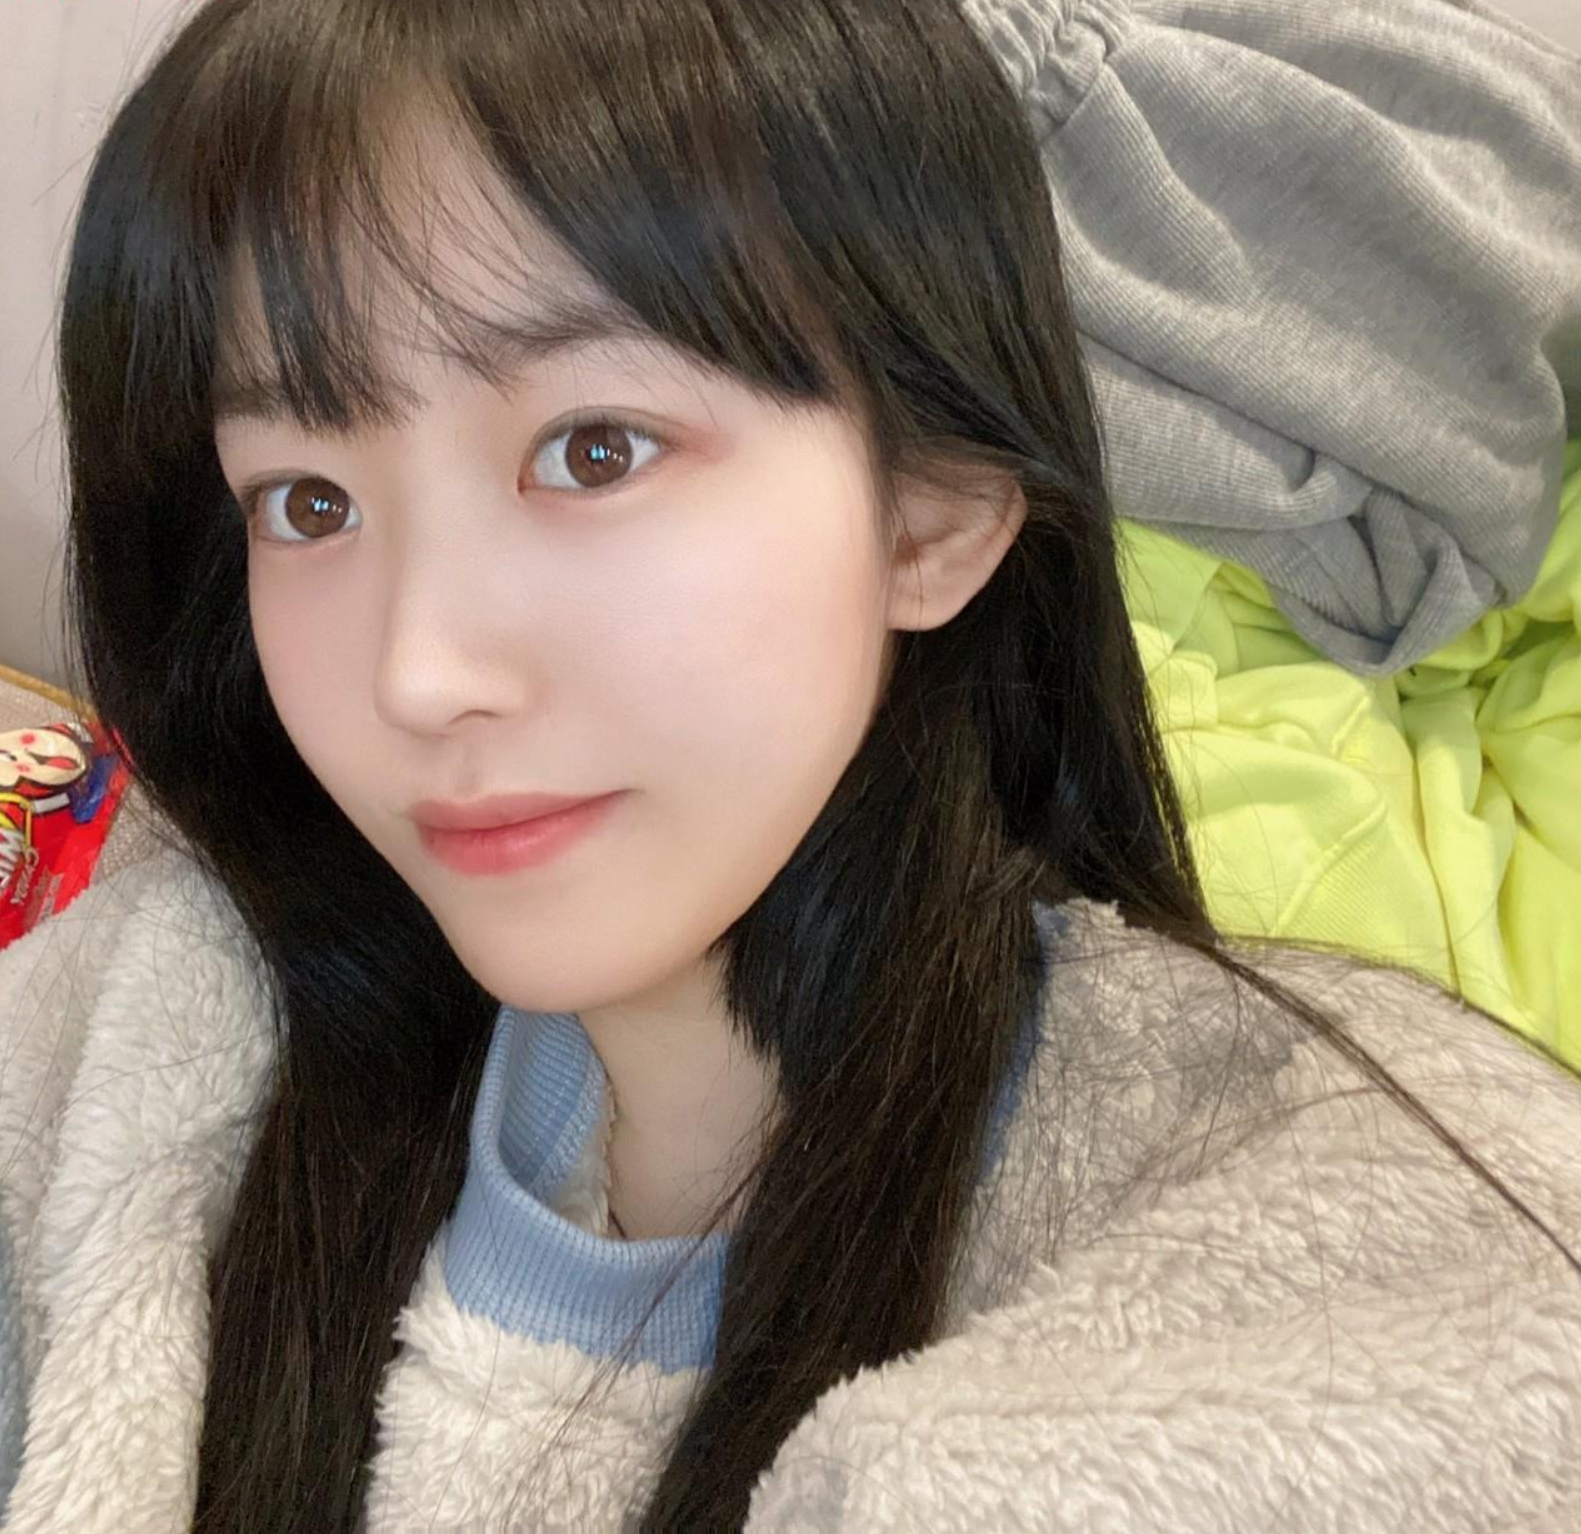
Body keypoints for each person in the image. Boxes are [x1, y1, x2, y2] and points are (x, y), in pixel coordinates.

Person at [1, 0, 1579, 1527]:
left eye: (594, 450)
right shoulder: (141, 1048)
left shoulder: (1347, 1264)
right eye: (308, 503)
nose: (419, 671)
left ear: (933, 508)